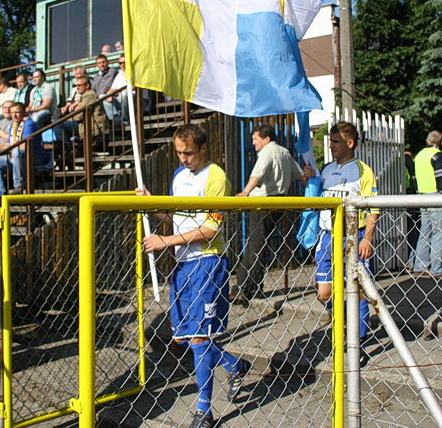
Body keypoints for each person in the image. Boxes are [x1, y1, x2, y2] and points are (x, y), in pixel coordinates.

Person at [137, 124, 245, 428]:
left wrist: (164, 242)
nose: (183, 158)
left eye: (188, 153)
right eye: (179, 153)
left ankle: (203, 410)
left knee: (199, 337)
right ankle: (234, 365)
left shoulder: (216, 177)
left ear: (203, 149)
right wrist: (152, 204)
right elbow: (176, 218)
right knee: (185, 336)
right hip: (182, 264)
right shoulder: (178, 176)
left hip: (208, 262)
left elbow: (211, 228)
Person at [302, 121, 378, 338]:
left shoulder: (362, 171)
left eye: (336, 141)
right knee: (324, 294)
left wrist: (368, 239)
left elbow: (374, 207)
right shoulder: (327, 169)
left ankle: (358, 339)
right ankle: (347, 321)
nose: (332, 146)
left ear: (350, 143)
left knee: (359, 292)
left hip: (354, 237)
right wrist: (309, 179)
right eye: (330, 141)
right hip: (328, 238)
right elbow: (317, 194)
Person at [234, 123, 303, 303]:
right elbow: (299, 175)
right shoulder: (285, 152)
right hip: (279, 203)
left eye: (256, 139)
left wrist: (246, 192)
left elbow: (257, 174)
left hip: (262, 203)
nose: (254, 143)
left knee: (254, 247)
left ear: (266, 139)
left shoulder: (266, 153)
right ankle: (249, 285)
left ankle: (247, 288)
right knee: (259, 245)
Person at [412, 131, 442, 278]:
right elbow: (441, 178)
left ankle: (419, 266)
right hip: (436, 196)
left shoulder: (419, 155)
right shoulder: (437, 155)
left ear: (427, 140)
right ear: (441, 142)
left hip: (422, 196)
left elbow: (415, 177)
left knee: (425, 231)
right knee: (439, 233)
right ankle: (437, 268)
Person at [0, 102, 45, 196]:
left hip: (34, 157)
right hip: (18, 158)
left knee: (17, 152)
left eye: (17, 112)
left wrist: (3, 148)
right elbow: (12, 143)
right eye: (12, 112)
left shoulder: (29, 124)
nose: (14, 115)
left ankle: (19, 186)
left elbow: (24, 145)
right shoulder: (13, 126)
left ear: (24, 112)